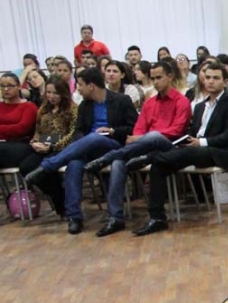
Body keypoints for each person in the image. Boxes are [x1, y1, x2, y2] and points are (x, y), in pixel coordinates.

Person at [133, 62, 228, 236]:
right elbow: (191, 132)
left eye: (216, 78)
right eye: (208, 77)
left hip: (217, 152)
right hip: (192, 150)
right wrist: (186, 141)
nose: (211, 81)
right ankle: (157, 218)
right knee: (159, 165)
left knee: (174, 154)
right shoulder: (199, 106)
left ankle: (148, 158)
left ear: (225, 82)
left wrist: (201, 142)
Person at [84, 59, 192, 237]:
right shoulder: (150, 103)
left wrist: (142, 137)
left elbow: (176, 131)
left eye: (159, 77)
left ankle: (106, 158)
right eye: (153, 78)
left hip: (170, 146)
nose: (155, 82)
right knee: (119, 162)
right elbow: (138, 129)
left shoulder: (182, 101)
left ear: (170, 76)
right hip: (146, 147)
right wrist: (141, 138)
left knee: (154, 136)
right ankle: (115, 218)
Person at [24, 68, 138, 234]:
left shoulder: (121, 100)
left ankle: (47, 166)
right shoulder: (85, 105)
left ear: (91, 86)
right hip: (88, 148)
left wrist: (112, 130)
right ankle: (74, 217)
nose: (78, 89)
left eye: (80, 85)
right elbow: (78, 131)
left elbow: (134, 128)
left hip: (113, 145)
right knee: (74, 163)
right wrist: (83, 140)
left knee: (95, 137)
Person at [17, 78, 78, 217]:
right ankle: (56, 194)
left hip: (63, 147)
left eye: (55, 93)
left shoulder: (72, 109)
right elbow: (38, 131)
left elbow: (73, 134)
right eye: (48, 92)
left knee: (46, 168)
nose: (51, 96)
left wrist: (53, 146)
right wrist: (34, 142)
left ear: (63, 93)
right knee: (26, 166)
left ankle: (61, 204)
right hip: (44, 145)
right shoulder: (43, 110)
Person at [0, 72, 39, 170]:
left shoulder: (29, 107)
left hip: (21, 145)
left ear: (18, 87)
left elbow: (21, 129)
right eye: (2, 86)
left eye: (10, 86)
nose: (6, 89)